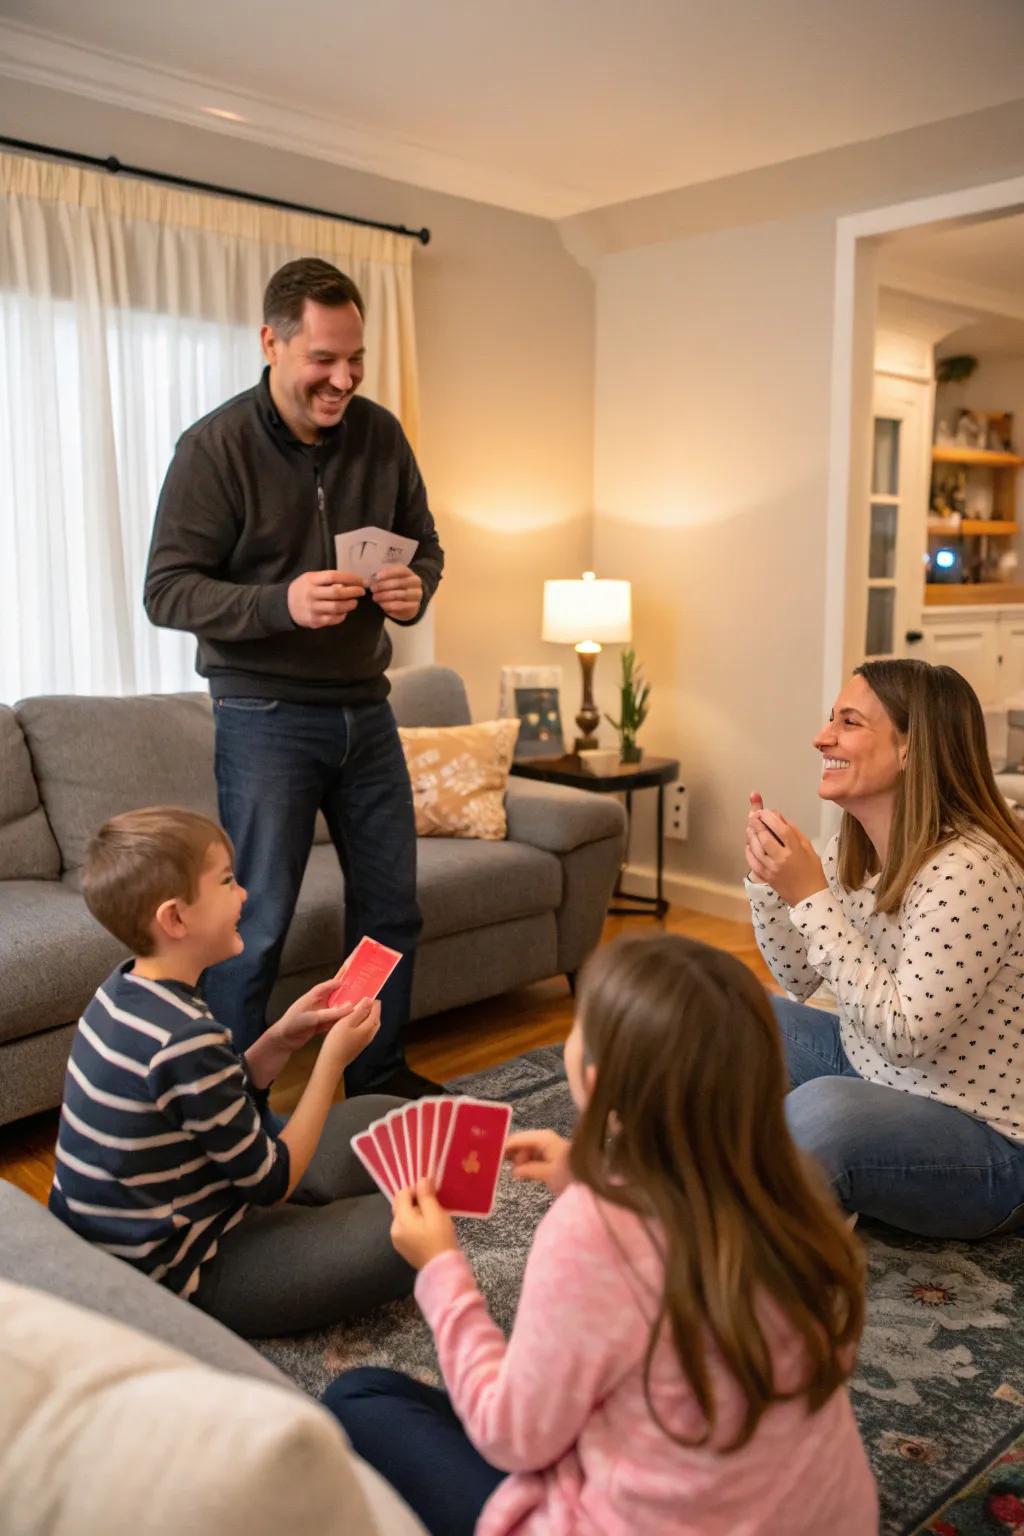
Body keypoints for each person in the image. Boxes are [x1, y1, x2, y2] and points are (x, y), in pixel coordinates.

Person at [321, 934, 877, 1536]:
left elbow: (511, 1436)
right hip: (830, 1518)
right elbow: (671, 1238)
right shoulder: (795, 1192)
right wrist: (591, 1181)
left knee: (360, 1398)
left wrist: (440, 1270)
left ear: (597, 1079)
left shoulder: (590, 1232)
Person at [144, 257, 444, 1099]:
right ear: (271, 343)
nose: (343, 379)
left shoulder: (381, 435)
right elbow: (166, 591)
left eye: (355, 359)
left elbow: (425, 544)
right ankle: (231, 1103)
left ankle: (376, 1079)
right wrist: (282, 602)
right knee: (257, 922)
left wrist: (415, 587)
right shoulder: (214, 448)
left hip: (367, 711)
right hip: (264, 716)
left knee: (390, 912)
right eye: (323, 359)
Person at [49, 807, 413, 1335]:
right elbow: (272, 1183)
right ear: (176, 919)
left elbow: (212, 1102)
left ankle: (322, 1209)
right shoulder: (185, 1037)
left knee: (397, 1121)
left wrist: (281, 1039)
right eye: (227, 882)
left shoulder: (123, 988)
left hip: (203, 1201)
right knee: (409, 1233)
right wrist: (330, 1062)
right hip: (189, 1268)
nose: (244, 894)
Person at [745, 657, 1024, 1240]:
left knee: (823, 1111)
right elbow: (797, 977)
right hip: (875, 1072)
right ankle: (774, 1171)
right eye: (831, 719)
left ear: (910, 749)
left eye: (848, 722)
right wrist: (770, 886)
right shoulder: (855, 845)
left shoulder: (969, 869)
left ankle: (758, 1218)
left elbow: (905, 1035)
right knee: (719, 1013)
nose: (822, 737)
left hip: (988, 1143)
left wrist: (810, 899)